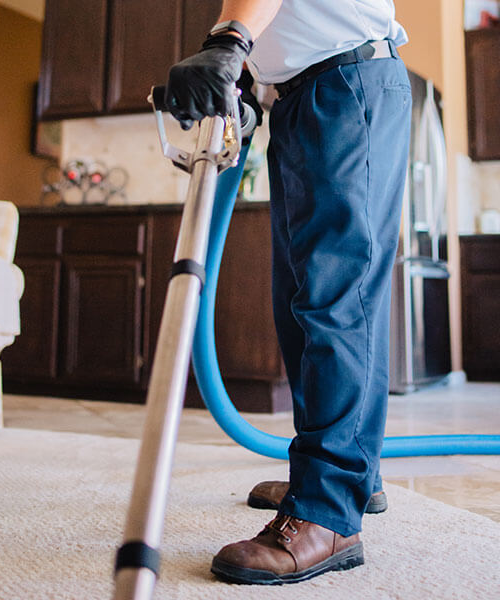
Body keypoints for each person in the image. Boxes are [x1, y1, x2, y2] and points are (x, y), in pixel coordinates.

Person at [165, 0, 412, 586]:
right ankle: (345, 474)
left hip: (345, 83)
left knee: (335, 303)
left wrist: (231, 40)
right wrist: (247, 76)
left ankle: (326, 512)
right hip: (307, 96)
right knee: (304, 304)